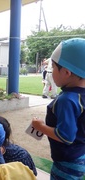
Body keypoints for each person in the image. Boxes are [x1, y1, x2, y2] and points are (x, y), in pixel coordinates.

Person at [32, 38, 85, 179]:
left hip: (66, 161)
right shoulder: (80, 96)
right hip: (80, 154)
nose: (51, 70)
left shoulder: (67, 100)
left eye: (54, 67)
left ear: (66, 72)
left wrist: (39, 126)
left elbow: (65, 136)